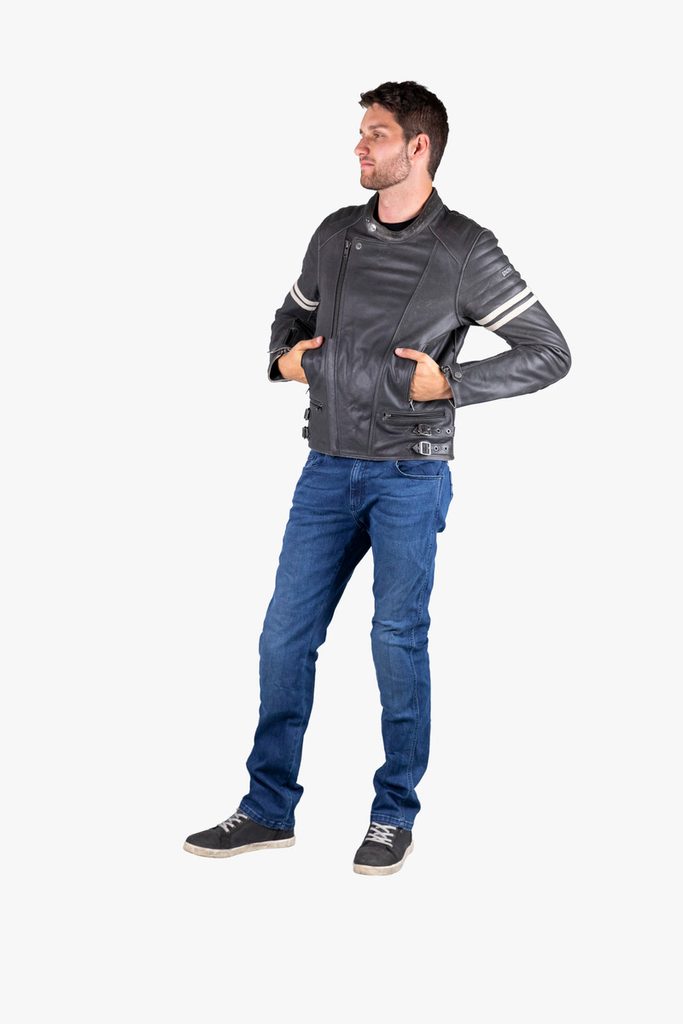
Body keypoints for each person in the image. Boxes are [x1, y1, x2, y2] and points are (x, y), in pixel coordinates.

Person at [183, 81, 571, 875]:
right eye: (361, 133)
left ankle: (392, 815)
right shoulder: (334, 233)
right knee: (283, 637)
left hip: (408, 473)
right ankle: (267, 809)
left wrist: (450, 384)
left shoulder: (465, 248)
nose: (359, 147)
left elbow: (548, 352)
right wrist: (285, 359)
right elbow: (289, 320)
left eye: (376, 134)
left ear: (418, 147)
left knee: (396, 640)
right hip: (325, 469)